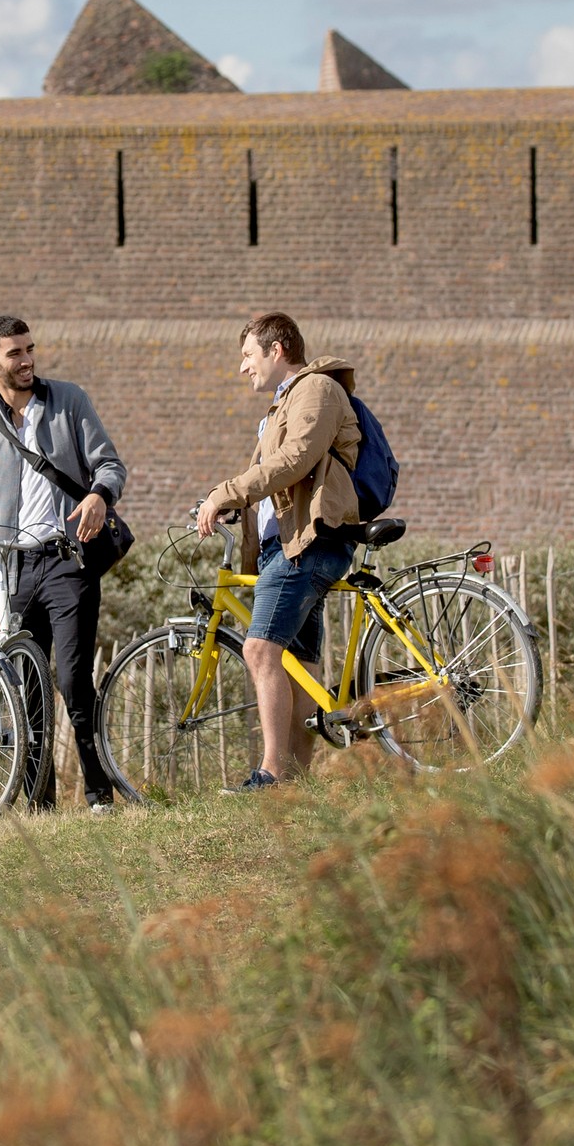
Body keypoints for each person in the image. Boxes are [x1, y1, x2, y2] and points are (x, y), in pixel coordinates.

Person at [0, 316, 129, 812]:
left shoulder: (68, 401)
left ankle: (98, 792)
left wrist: (100, 497)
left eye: (29, 350)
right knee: (25, 688)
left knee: (71, 679)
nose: (26, 361)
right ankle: (40, 805)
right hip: (11, 575)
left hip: (68, 561)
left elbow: (109, 464)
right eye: (14, 353)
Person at [193, 312, 362, 790]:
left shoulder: (315, 390)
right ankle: (297, 783)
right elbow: (279, 478)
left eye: (248, 355)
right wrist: (234, 506)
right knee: (298, 665)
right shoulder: (282, 404)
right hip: (288, 543)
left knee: (260, 649)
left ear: (277, 349)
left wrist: (229, 491)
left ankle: (270, 774)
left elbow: (296, 460)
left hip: (307, 543)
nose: (243, 367)